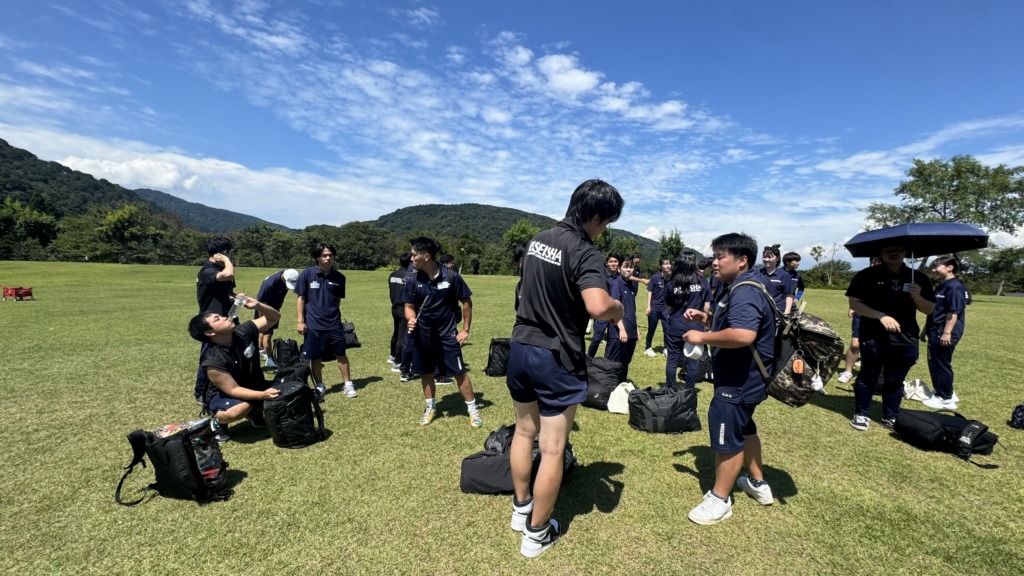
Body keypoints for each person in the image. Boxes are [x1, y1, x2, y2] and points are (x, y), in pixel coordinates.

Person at [507, 179, 625, 557]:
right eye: (606, 222)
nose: (604, 230)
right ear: (596, 216)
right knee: (553, 448)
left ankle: (521, 509)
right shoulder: (585, 251)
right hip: (555, 357)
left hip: (520, 347)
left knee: (524, 433)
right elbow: (597, 305)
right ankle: (536, 534)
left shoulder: (538, 239)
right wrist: (618, 309)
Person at [681, 233, 777, 525]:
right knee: (745, 429)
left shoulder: (745, 290)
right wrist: (706, 320)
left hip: (738, 381)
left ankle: (720, 499)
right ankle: (758, 484)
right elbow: (737, 324)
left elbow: (743, 334)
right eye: (714, 256)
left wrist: (701, 336)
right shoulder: (741, 286)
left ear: (742, 260)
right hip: (749, 378)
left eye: (720, 256)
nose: (714, 262)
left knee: (727, 438)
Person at [846, 244, 934, 431]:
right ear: (881, 252)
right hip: (873, 335)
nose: (893, 253)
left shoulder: (918, 278)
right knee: (868, 376)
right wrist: (880, 316)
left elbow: (929, 309)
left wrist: (917, 296)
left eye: (898, 249)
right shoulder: (866, 275)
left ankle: (891, 416)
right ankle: (861, 413)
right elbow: (854, 303)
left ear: (906, 252)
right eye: (888, 250)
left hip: (905, 337)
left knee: (895, 379)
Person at [403, 237, 481, 427]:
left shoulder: (452, 277)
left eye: (414, 254)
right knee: (426, 372)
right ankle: (431, 408)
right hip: (423, 335)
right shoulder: (412, 279)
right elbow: (409, 306)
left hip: (447, 334)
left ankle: (473, 409)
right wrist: (411, 319)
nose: (411, 258)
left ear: (426, 256)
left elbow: (466, 302)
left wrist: (465, 330)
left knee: (459, 373)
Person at [189, 295, 281, 443]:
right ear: (210, 333)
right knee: (241, 408)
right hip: (224, 395)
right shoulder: (213, 360)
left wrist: (258, 305)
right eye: (217, 319)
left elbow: (274, 318)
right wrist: (263, 395)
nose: (225, 317)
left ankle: (254, 412)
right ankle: (217, 422)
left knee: (288, 386)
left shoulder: (243, 331)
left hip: (253, 385)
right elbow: (233, 390)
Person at [296, 242, 356, 400]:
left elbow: (337, 300)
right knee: (315, 357)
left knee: (341, 354)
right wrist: (300, 321)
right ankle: (320, 385)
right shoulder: (307, 274)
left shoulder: (339, 277)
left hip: (334, 323)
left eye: (330, 255)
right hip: (313, 324)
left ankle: (348, 384)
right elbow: (301, 298)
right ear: (317, 257)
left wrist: (332, 314)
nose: (328, 258)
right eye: (324, 255)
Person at [193, 237, 236, 403]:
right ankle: (200, 393)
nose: (231, 256)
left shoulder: (220, 269)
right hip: (212, 323)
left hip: (226, 319)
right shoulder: (207, 271)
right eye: (229, 253)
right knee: (209, 357)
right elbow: (228, 274)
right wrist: (226, 260)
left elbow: (225, 292)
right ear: (223, 253)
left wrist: (234, 297)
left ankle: (226, 386)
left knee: (229, 353)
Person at [922, 256, 967, 410]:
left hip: (944, 331)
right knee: (936, 362)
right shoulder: (942, 286)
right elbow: (935, 311)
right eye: (933, 267)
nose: (933, 270)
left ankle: (945, 398)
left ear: (950, 267)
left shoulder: (954, 287)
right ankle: (943, 390)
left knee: (940, 364)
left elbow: (953, 312)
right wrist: (925, 329)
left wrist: (947, 333)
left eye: (937, 267)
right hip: (934, 329)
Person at [664, 253, 710, 389]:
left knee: (672, 360)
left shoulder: (671, 281)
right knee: (693, 362)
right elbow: (706, 307)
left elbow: (668, 308)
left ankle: (671, 389)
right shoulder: (702, 280)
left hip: (675, 325)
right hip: (696, 327)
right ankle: (689, 391)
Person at [255, 268, 299, 369]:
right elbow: (260, 302)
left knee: (264, 332)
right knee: (267, 334)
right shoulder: (269, 285)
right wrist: (264, 318)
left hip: (275, 308)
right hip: (264, 309)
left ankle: (261, 349)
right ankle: (269, 359)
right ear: (283, 278)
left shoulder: (286, 275)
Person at [605, 258, 639, 383]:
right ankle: (608, 388)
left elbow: (632, 309)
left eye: (631, 267)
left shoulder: (631, 285)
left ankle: (621, 386)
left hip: (631, 330)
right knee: (613, 363)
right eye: (625, 267)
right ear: (619, 269)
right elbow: (614, 309)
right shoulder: (616, 284)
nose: (628, 270)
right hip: (618, 331)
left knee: (625, 362)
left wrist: (636, 329)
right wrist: (622, 329)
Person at [587, 253, 621, 357]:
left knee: (612, 338)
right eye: (611, 261)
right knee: (597, 338)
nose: (613, 264)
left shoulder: (620, 278)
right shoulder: (602, 276)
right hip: (603, 312)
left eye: (615, 261)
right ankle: (589, 358)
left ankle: (607, 361)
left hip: (614, 312)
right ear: (606, 263)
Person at [388, 252, 413, 370]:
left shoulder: (392, 274)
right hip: (404, 308)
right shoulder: (408, 276)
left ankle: (392, 355)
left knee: (396, 332)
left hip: (394, 307)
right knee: (402, 336)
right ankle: (398, 362)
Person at [643, 258, 671, 356]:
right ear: (660, 266)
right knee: (652, 329)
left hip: (665, 309)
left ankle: (666, 348)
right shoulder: (655, 277)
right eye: (665, 264)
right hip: (654, 307)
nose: (667, 266)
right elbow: (650, 291)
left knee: (667, 329)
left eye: (669, 264)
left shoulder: (671, 278)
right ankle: (648, 347)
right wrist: (648, 306)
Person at [757, 244, 795, 315]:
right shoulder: (756, 273)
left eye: (770, 257)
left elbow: (789, 295)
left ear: (777, 258)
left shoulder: (784, 275)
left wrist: (787, 312)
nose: (766, 260)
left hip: (777, 311)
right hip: (759, 310)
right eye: (764, 257)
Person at [836, 308, 861, 384]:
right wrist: (852, 307)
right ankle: (848, 372)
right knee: (855, 345)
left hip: (881, 313)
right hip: (861, 312)